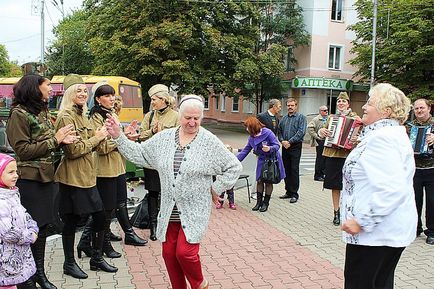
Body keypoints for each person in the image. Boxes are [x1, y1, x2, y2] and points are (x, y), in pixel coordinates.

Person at [105, 94, 242, 289]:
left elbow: (233, 167)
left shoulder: (208, 142)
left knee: (185, 253)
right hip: (169, 210)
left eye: (197, 118)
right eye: (188, 118)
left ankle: (199, 283)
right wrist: (119, 136)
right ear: (180, 116)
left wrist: (216, 188)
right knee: (169, 254)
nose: (192, 122)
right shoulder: (165, 139)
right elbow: (140, 153)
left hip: (194, 211)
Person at [341, 83, 417, 289]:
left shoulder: (382, 139)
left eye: (369, 102)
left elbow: (392, 188)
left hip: (375, 235)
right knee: (380, 283)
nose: (364, 107)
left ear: (386, 111)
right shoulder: (389, 134)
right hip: (386, 233)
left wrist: (363, 221)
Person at [6, 74, 77, 289]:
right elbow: (23, 151)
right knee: (31, 230)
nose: (51, 89)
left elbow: (47, 142)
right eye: (47, 85)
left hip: (47, 177)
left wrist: (62, 140)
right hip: (30, 180)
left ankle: (38, 274)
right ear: (34, 89)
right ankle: (27, 277)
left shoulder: (42, 111)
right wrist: (56, 140)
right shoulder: (18, 114)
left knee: (43, 228)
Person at [55, 75, 117, 279]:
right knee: (71, 221)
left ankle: (96, 258)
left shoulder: (82, 114)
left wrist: (108, 135)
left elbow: (96, 143)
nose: (83, 94)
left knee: (100, 216)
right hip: (72, 177)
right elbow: (73, 151)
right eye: (78, 90)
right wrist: (97, 138)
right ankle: (69, 263)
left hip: (87, 175)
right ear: (70, 93)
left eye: (85, 90)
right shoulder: (66, 115)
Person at [76, 83, 147, 261]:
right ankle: (102, 245)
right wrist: (120, 140)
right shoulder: (95, 117)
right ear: (98, 99)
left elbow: (116, 138)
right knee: (105, 210)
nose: (111, 98)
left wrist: (126, 136)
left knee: (118, 204)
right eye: (107, 96)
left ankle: (87, 242)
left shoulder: (112, 114)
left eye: (113, 95)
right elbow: (101, 147)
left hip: (117, 167)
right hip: (104, 169)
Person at [138, 84, 178, 241]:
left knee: (168, 192)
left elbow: (179, 138)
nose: (152, 102)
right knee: (153, 193)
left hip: (168, 162)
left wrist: (164, 135)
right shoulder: (149, 116)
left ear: (164, 100)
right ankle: (153, 226)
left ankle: (167, 223)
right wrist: (152, 132)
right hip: (152, 162)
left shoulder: (176, 116)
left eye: (155, 99)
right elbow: (141, 136)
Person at [319, 92, 359, 226]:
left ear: (348, 103)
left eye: (343, 101)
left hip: (349, 156)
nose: (341, 103)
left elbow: (361, 136)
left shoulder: (356, 118)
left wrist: (356, 139)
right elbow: (322, 132)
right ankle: (336, 212)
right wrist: (322, 132)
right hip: (334, 154)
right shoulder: (332, 118)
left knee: (350, 186)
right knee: (335, 185)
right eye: (339, 101)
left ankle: (349, 211)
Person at [0, 154, 39, 289]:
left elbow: (24, 213)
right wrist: (29, 237)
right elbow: (8, 232)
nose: (16, 175)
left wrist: (33, 227)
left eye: (16, 171)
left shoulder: (11, 193)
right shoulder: (1, 201)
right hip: (4, 259)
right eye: (10, 172)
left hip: (14, 256)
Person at [237, 117, 285, 212]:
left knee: (268, 181)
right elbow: (246, 150)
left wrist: (270, 148)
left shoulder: (267, 133)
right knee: (259, 180)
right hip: (261, 160)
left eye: (248, 127)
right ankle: (258, 203)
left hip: (271, 160)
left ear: (253, 127)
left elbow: (277, 145)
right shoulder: (252, 137)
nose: (246, 129)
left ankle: (265, 203)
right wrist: (235, 161)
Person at [406, 98, 434, 245]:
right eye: (416, 108)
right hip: (415, 169)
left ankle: (432, 232)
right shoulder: (410, 126)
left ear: (429, 108)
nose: (419, 111)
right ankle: (415, 228)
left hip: (432, 169)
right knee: (414, 200)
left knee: (432, 201)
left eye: (422, 108)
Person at [277, 98, 307, 203]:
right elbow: (279, 131)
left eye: (292, 105)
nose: (290, 107)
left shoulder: (301, 118)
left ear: (296, 106)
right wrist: (282, 141)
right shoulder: (283, 119)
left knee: (294, 169)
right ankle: (288, 191)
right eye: (288, 105)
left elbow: (301, 132)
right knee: (286, 169)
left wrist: (290, 141)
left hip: (295, 146)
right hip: (285, 146)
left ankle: (294, 193)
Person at [307, 105, 328, 181]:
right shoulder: (316, 119)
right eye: (324, 110)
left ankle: (323, 174)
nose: (326, 112)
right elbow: (310, 128)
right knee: (320, 158)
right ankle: (318, 175)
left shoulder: (328, 118)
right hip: (320, 141)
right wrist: (317, 136)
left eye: (327, 110)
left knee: (326, 158)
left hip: (327, 141)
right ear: (320, 111)